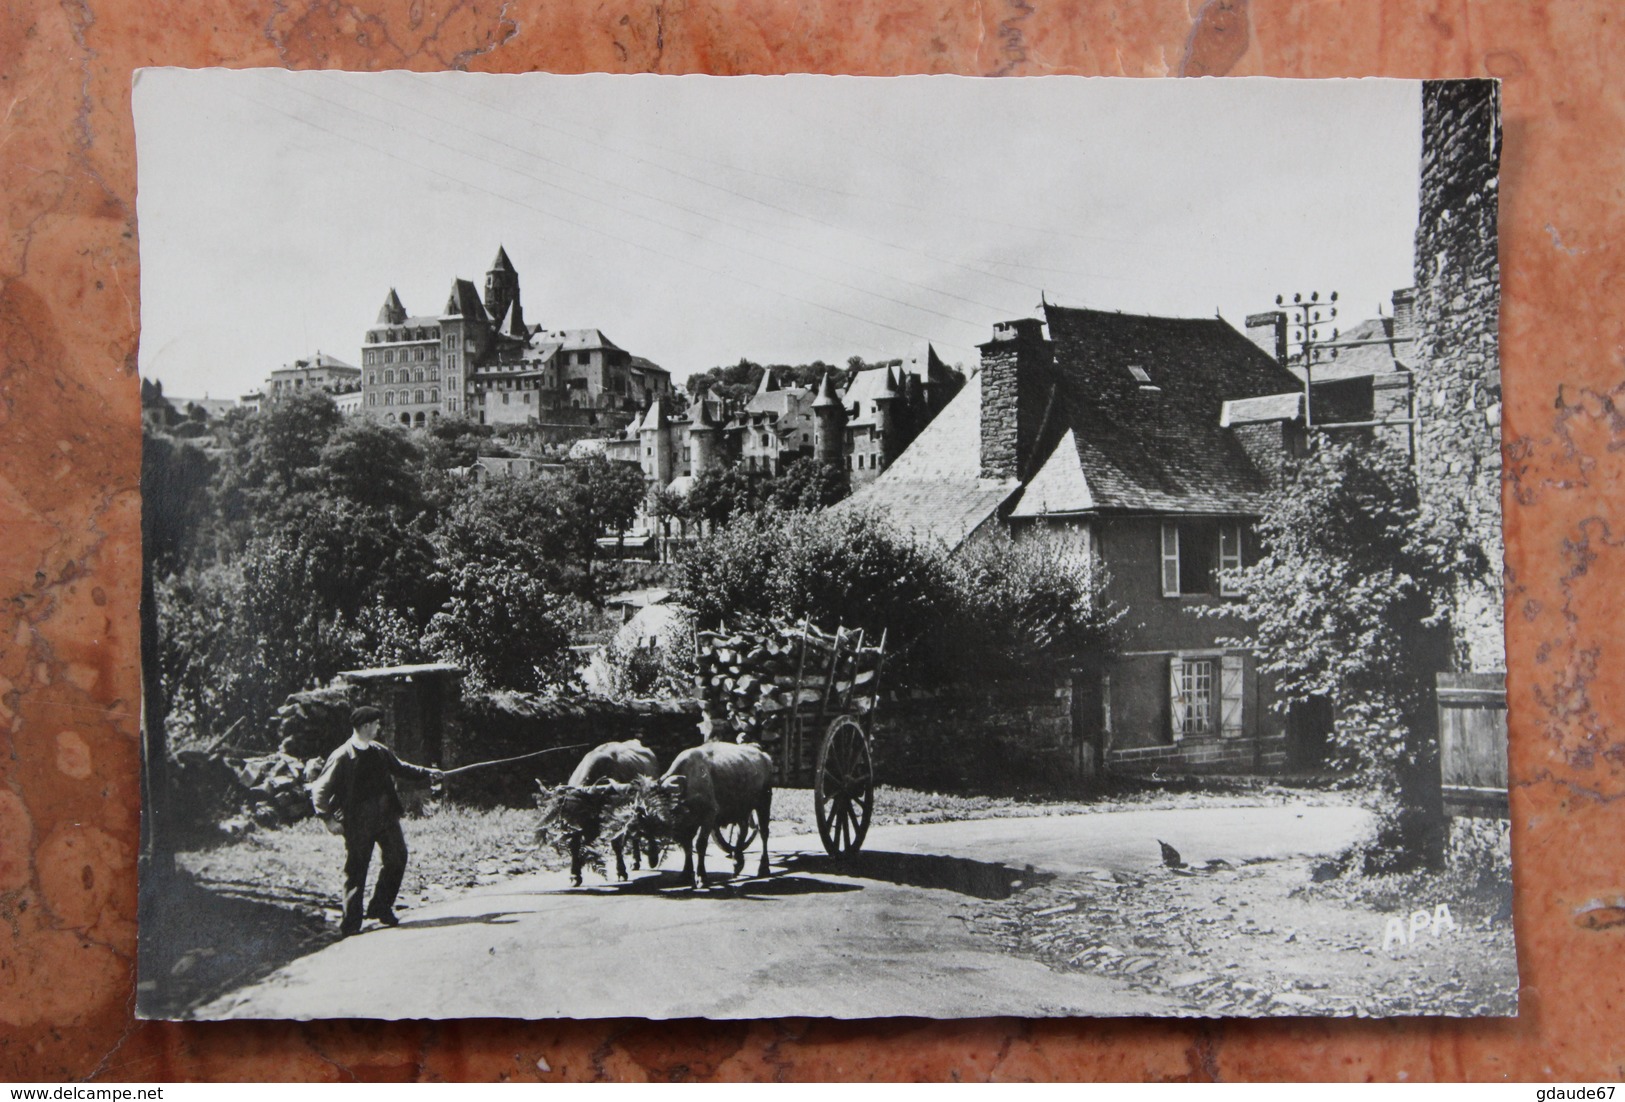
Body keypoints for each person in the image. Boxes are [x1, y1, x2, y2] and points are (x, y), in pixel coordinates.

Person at [311, 705, 443, 936]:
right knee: (356, 869)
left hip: (385, 819)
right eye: (376, 724)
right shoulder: (342, 756)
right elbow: (319, 791)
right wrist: (329, 820)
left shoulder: (379, 751)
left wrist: (427, 773)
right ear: (365, 726)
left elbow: (401, 768)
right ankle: (351, 924)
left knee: (397, 858)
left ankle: (381, 907)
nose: (379, 727)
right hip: (357, 823)